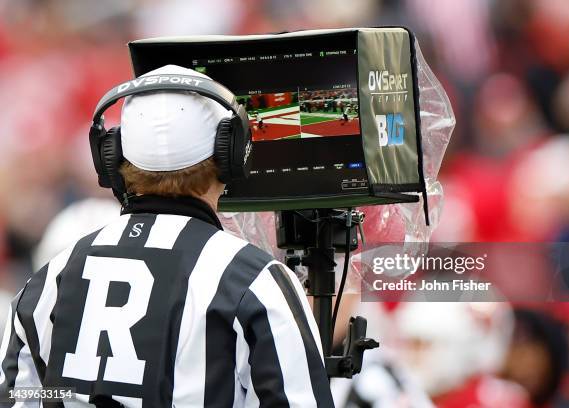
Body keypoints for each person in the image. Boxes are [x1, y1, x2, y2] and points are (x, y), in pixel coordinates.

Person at [0, 65, 334, 407]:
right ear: (230, 154)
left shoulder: (49, 278)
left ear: (112, 155)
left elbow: (18, 397)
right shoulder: (254, 280)